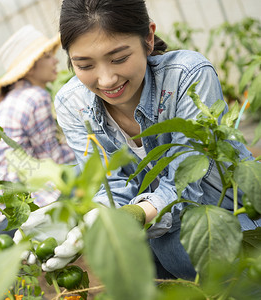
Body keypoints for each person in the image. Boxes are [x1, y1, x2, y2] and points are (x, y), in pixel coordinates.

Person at [14, 0, 260, 280]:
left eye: (118, 58)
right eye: (84, 65)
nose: (106, 80)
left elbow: (186, 185)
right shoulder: (73, 104)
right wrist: (75, 216)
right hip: (161, 247)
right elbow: (109, 184)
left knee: (198, 262)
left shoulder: (186, 76)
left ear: (148, 38)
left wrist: (135, 214)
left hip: (234, 230)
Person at [0, 25, 76, 235]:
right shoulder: (36, 97)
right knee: (91, 175)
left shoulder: (12, 98)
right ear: (30, 66)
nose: (55, 60)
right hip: (22, 213)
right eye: (47, 56)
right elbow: (53, 161)